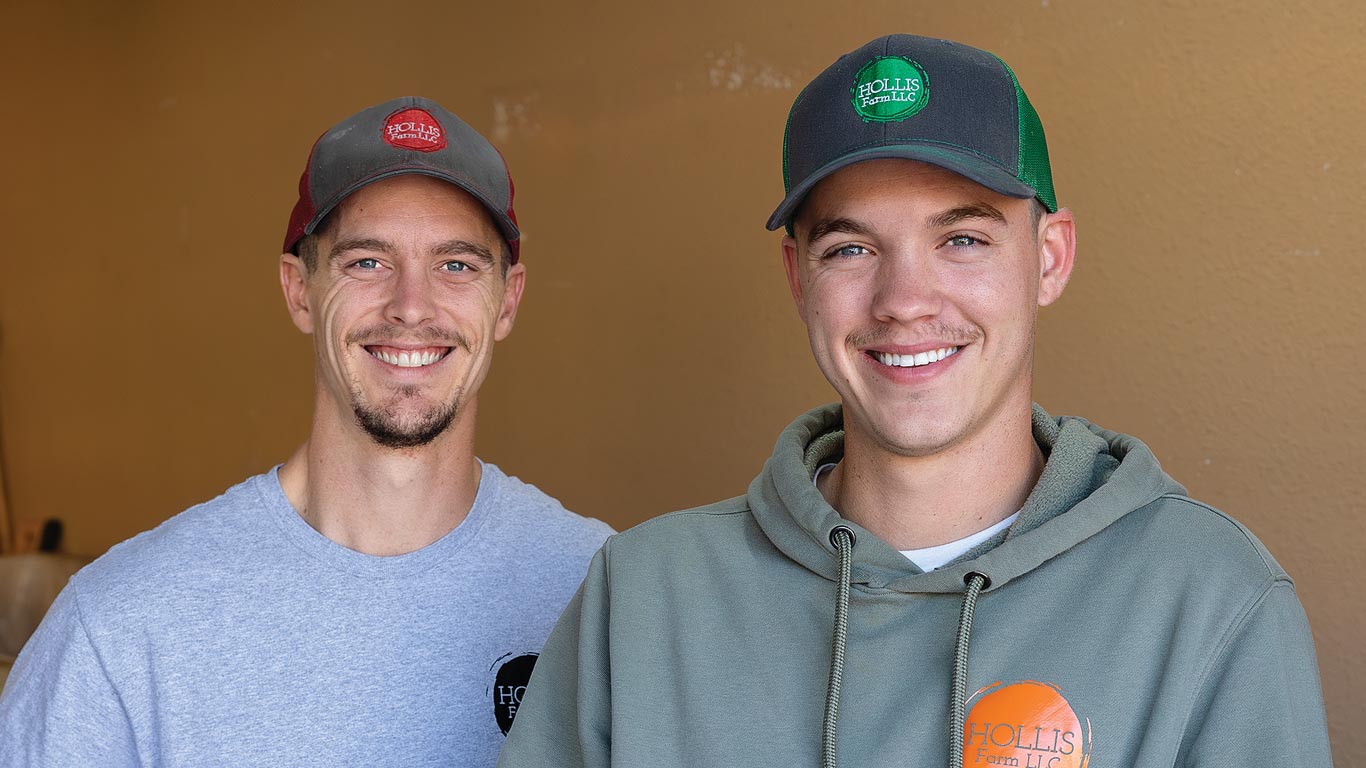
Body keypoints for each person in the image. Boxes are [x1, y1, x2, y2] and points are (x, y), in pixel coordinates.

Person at [497, 35, 1332, 768]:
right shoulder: (642, 598)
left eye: (961, 239)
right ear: (798, 280)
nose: (904, 299)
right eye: (851, 247)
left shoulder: (1212, 599)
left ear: (1050, 257)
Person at [0, 96, 612, 766]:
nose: (412, 306)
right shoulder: (123, 628)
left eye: (457, 264)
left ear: (509, 300)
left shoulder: (602, 595)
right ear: (299, 289)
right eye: (367, 262)